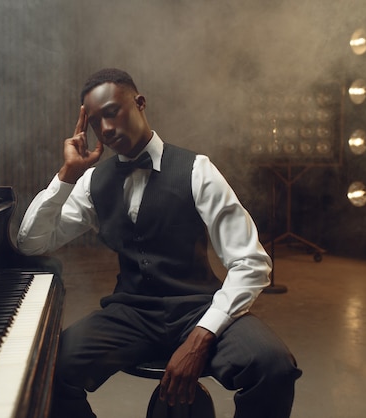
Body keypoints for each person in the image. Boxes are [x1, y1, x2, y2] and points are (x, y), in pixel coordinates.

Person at [17, 68, 301, 418]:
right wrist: (66, 177)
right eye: (94, 121)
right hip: (131, 313)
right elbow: (31, 243)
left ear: (140, 103)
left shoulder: (197, 170)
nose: (104, 128)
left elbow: (251, 263)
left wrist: (201, 336)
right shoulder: (93, 182)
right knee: (45, 372)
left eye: (112, 112)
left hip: (199, 306)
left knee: (274, 367)